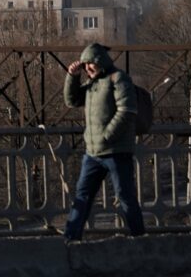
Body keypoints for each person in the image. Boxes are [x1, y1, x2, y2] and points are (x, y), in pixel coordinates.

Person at [62, 42, 145, 241]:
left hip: (116, 151)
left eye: (90, 64)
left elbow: (127, 111)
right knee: (82, 196)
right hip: (93, 153)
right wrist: (72, 77)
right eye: (85, 65)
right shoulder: (92, 84)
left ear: (100, 62)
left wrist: (107, 136)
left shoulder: (118, 79)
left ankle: (140, 237)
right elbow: (72, 101)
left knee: (124, 196)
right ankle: (71, 239)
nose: (88, 68)